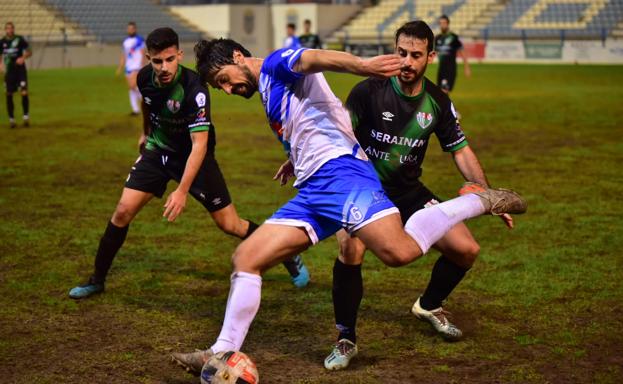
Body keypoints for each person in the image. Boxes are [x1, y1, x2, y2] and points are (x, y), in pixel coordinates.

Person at [170, 38, 526, 375]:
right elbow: (313, 117)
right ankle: (220, 351)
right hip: (312, 191)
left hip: (343, 176)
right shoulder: (268, 87)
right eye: (222, 89)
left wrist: (362, 65)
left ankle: (476, 202)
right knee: (246, 258)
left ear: (236, 58)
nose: (229, 90)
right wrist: (295, 157)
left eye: (224, 81)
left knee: (398, 252)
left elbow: (311, 57)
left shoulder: (276, 64)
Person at [323, 20, 514, 371]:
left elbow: (461, 151)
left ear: (429, 56)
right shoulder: (368, 91)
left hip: (410, 192)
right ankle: (346, 337)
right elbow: (338, 134)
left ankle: (428, 304)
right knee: (350, 247)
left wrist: (487, 196)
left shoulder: (438, 102)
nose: (406, 62)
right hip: (366, 189)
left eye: (415, 55)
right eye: (401, 53)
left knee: (466, 250)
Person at [68, 28, 308, 300]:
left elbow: (199, 145)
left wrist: (182, 190)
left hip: (196, 158)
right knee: (122, 211)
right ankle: (97, 280)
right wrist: (146, 132)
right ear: (149, 59)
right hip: (158, 153)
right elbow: (149, 104)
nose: (164, 67)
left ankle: (289, 256)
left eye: (170, 59)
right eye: (157, 61)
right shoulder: (144, 78)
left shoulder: (195, 89)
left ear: (179, 55)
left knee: (230, 224)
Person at [0, 22, 31, 128]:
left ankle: (26, 117)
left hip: (20, 70)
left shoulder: (19, 39)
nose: (10, 30)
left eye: (12, 28)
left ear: (14, 29)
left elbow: (29, 51)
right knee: (9, 94)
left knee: (24, 92)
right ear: (5, 30)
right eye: (8, 28)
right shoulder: (2, 42)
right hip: (9, 71)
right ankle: (12, 120)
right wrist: (1, 65)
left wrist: (23, 58)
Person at [116, 22, 146, 116]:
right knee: (131, 88)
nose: (130, 30)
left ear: (135, 29)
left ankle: (146, 103)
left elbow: (143, 53)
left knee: (133, 86)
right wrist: (120, 67)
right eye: (128, 28)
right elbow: (124, 55)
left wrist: (143, 65)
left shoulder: (139, 40)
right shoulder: (125, 42)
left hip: (136, 66)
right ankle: (135, 109)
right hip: (128, 67)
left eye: (132, 28)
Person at [435, 15, 470, 94]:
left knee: (444, 91)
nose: (442, 25)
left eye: (444, 23)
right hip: (441, 69)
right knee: (440, 93)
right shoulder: (437, 38)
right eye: (440, 23)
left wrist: (466, 67)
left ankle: (445, 106)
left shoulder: (453, 37)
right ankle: (445, 106)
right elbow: (435, 52)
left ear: (448, 24)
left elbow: (462, 51)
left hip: (450, 69)